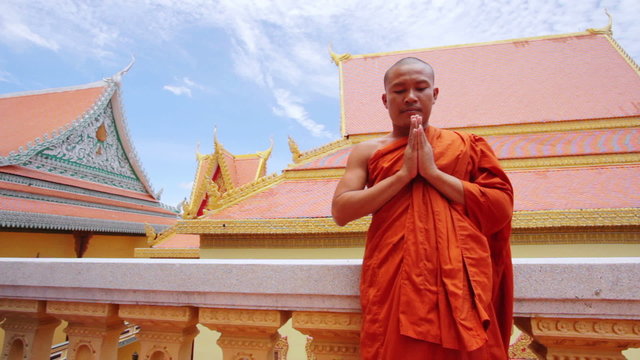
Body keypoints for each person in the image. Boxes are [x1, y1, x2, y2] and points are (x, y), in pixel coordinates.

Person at [332, 57, 514, 359]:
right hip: (396, 278)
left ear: (435, 94)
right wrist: (403, 175)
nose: (410, 97)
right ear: (385, 99)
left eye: (420, 88)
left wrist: (432, 173)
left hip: (460, 282)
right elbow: (341, 211)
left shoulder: (467, 145)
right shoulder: (368, 151)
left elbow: (500, 208)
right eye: (399, 90)